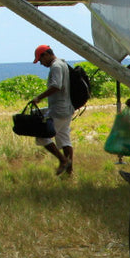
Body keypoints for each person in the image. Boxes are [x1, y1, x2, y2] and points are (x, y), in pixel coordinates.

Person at [28, 45, 74, 177]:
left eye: (40, 60)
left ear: (46, 55)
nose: (41, 64)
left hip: (59, 110)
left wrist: (38, 98)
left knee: (42, 136)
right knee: (64, 139)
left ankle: (63, 160)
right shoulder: (63, 63)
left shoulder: (56, 66)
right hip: (66, 108)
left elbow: (56, 86)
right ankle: (69, 173)